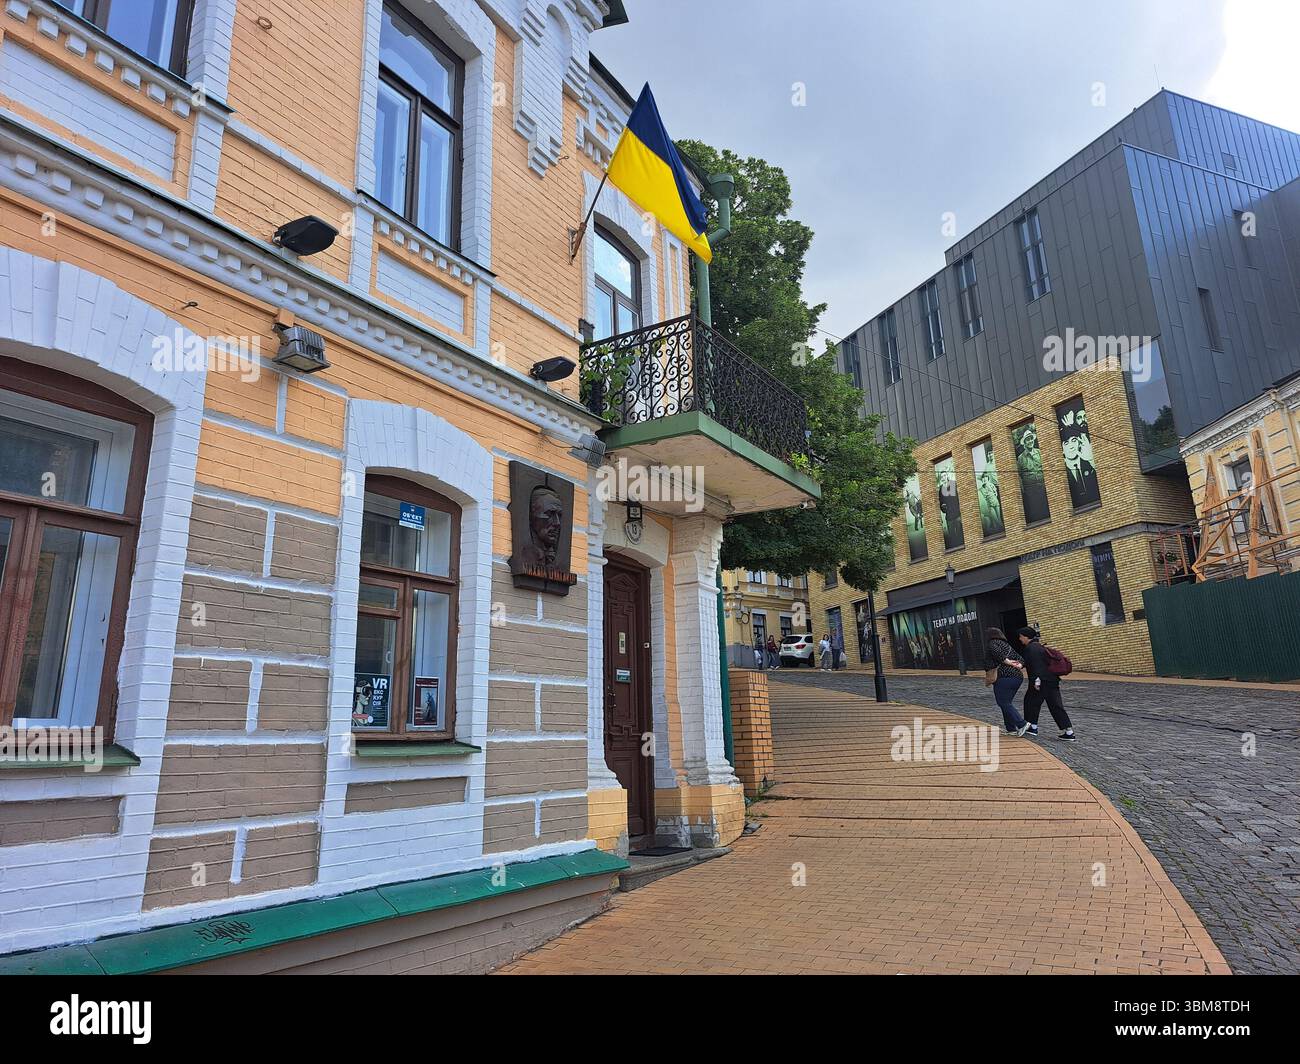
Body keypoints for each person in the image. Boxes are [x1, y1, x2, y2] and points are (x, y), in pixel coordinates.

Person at [1016, 627, 1076, 741]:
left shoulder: (1030, 648)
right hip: (1052, 680)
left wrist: (1036, 681)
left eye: (1021, 636)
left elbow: (1036, 666)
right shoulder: (1039, 647)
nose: (1019, 639)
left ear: (1026, 636)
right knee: (1056, 706)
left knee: (1030, 702)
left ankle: (1032, 727)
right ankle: (1069, 731)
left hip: (1041, 681)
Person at [984, 627, 1029, 736]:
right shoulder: (1007, 645)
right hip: (1017, 677)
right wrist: (1019, 665)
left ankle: (1022, 724)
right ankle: (1010, 728)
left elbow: (999, 655)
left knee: (1003, 702)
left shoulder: (992, 644)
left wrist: (1009, 663)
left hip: (1004, 677)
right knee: (1006, 702)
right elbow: (1021, 659)